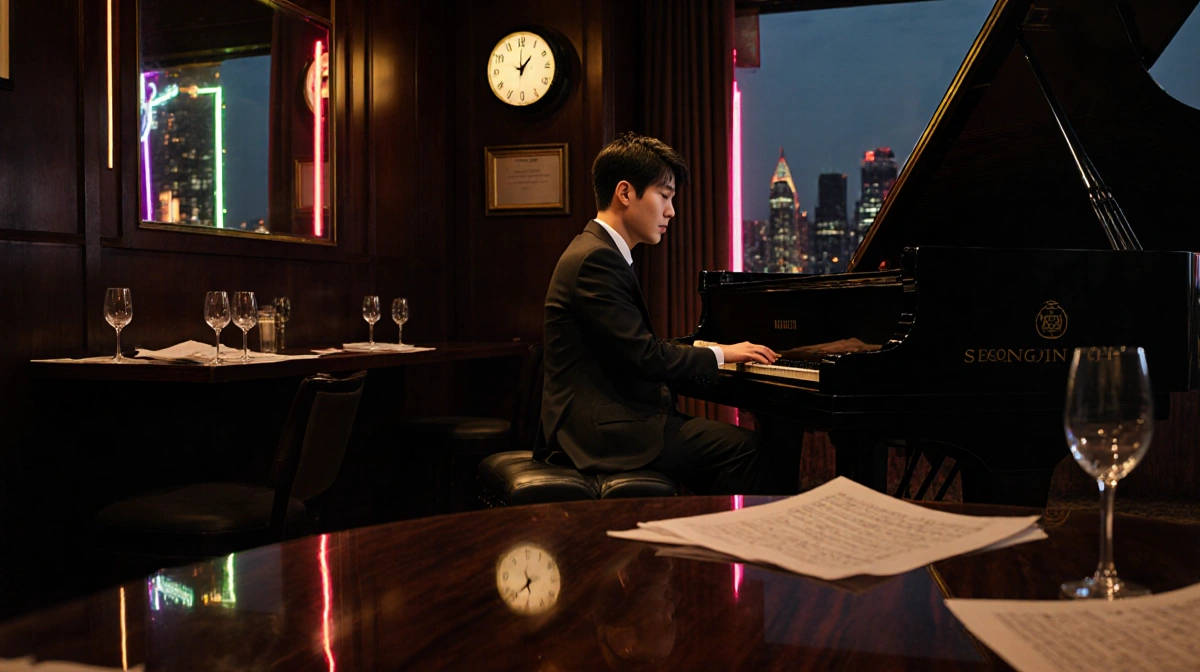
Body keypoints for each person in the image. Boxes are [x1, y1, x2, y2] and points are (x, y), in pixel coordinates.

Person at [539, 132, 780, 495]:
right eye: (664, 196)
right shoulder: (596, 260)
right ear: (625, 193)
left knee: (731, 445)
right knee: (751, 452)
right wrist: (721, 353)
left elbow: (631, 348)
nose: (671, 211)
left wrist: (704, 351)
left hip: (612, 420)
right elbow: (645, 356)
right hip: (601, 433)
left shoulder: (599, 251)